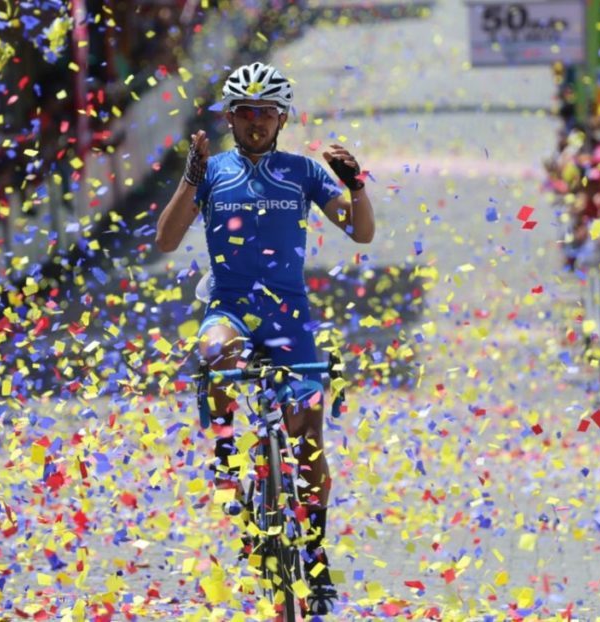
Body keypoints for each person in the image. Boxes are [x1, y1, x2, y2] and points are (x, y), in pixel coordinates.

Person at [155, 61, 374, 614]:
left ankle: (317, 559)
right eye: (246, 112)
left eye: (266, 112)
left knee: (308, 444)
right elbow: (164, 240)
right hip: (229, 308)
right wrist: (189, 176)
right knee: (216, 353)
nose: (256, 122)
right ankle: (228, 457)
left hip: (289, 317)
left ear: (282, 118)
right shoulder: (212, 170)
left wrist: (356, 185)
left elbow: (361, 231)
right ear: (231, 117)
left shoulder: (302, 171)